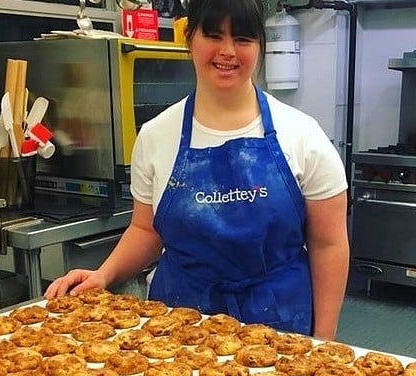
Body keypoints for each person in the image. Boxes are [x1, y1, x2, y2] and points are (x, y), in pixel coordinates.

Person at [44, 0, 349, 340]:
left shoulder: (303, 135)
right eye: (214, 35)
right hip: (179, 319)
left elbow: (328, 244)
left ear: (260, 46)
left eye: (244, 39)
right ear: (190, 39)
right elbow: (146, 230)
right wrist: (104, 275)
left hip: (278, 319)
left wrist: (324, 341)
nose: (228, 51)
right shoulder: (157, 135)